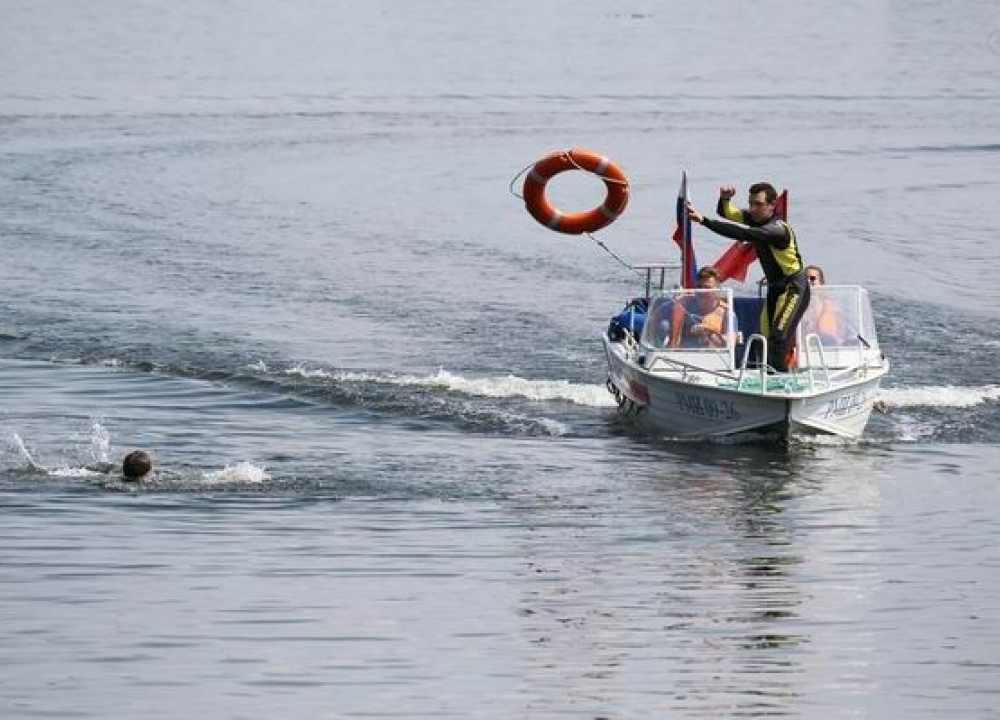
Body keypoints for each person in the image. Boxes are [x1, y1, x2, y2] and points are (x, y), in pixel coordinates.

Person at [686, 182, 809, 372]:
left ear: (772, 205)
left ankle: (779, 383)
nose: (752, 209)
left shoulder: (777, 229)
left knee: (778, 338)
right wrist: (725, 199)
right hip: (775, 289)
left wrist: (704, 221)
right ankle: (765, 377)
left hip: (793, 288)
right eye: (750, 203)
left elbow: (740, 232)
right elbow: (727, 213)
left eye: (758, 204)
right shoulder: (755, 219)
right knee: (762, 339)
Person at [669, 266, 732, 348]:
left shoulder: (727, 312)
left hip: (714, 357)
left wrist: (709, 332)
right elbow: (674, 339)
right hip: (683, 355)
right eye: (699, 287)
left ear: (717, 289)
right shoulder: (683, 304)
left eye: (707, 288)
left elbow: (731, 343)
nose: (702, 291)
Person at [802, 264, 847, 345]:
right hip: (805, 347)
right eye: (805, 279)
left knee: (827, 339)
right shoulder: (796, 306)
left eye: (812, 278)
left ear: (821, 283)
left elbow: (842, 331)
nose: (808, 281)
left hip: (830, 348)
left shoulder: (833, 308)